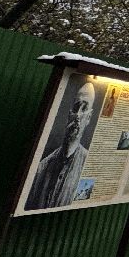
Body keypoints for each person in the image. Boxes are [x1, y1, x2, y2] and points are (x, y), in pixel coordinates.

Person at [26, 80, 97, 210]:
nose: (78, 115)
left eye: (84, 108)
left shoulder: (89, 165)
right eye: (76, 107)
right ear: (69, 113)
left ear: (89, 117)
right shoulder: (43, 167)